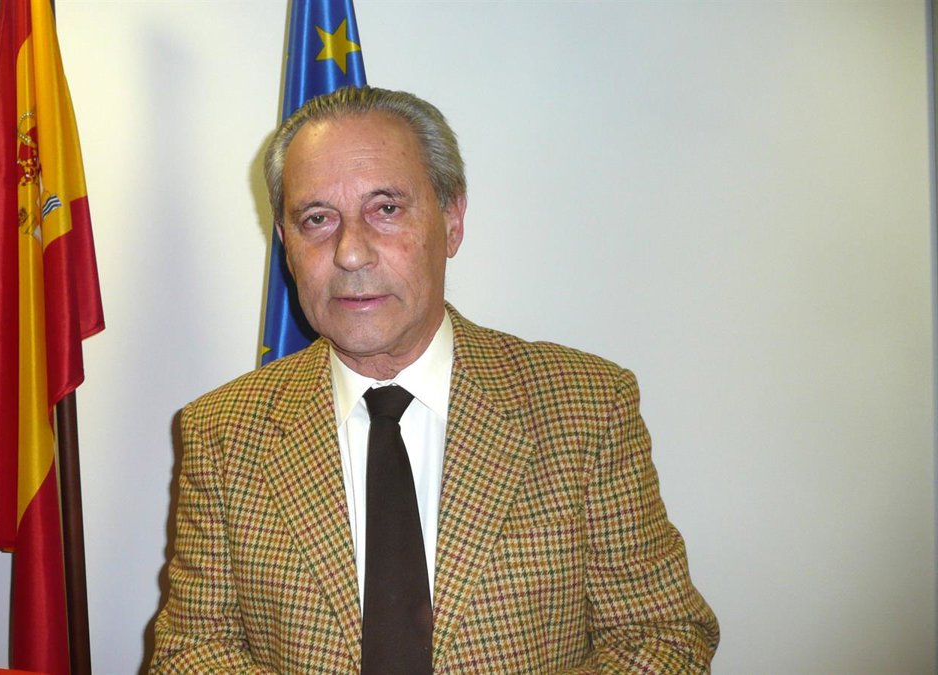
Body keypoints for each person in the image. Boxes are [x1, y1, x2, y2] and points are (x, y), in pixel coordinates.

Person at [152, 86, 719, 673]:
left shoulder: (588, 408)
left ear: (451, 220)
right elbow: (191, 650)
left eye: (386, 209)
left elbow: (663, 636)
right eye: (317, 219)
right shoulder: (223, 432)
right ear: (286, 243)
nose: (350, 253)